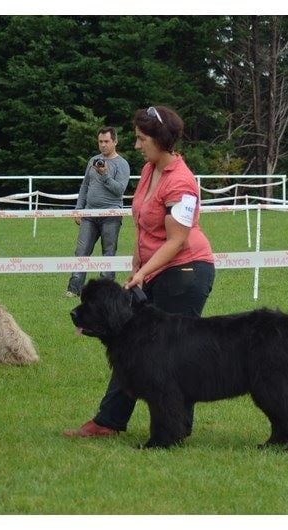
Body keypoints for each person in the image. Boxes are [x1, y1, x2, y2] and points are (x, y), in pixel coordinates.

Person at [64, 106, 215, 439]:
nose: (136, 145)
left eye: (142, 138)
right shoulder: (149, 169)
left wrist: (144, 269)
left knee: (174, 355)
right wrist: (136, 266)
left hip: (185, 273)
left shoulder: (182, 183)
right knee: (128, 343)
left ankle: (175, 429)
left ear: (160, 140)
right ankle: (109, 421)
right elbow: (143, 223)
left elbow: (177, 241)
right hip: (153, 269)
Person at [65, 126, 130, 296]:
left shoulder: (122, 164)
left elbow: (119, 190)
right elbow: (85, 186)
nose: (103, 145)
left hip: (111, 215)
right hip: (89, 214)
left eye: (106, 141)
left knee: (108, 253)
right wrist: (79, 209)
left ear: (115, 141)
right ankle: (73, 289)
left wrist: (105, 175)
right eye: (100, 141)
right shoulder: (92, 161)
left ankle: (105, 291)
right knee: (81, 251)